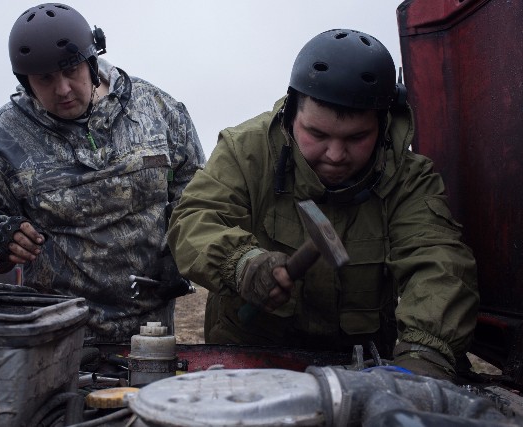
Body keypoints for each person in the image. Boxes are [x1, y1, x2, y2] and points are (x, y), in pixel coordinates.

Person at [167, 29, 479, 380]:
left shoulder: (408, 177)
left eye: (356, 138)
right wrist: (243, 265)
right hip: (251, 357)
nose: (335, 155)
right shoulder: (246, 151)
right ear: (291, 114)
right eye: (316, 134)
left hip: (362, 364)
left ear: (383, 123)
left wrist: (424, 357)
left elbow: (438, 262)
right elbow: (194, 219)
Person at [0, 3, 205, 343]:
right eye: (45, 78)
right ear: (26, 83)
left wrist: (179, 256)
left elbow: (197, 193)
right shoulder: (3, 137)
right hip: (57, 330)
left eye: (71, 70)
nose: (62, 89)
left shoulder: (157, 110)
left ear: (91, 62)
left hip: (151, 328)